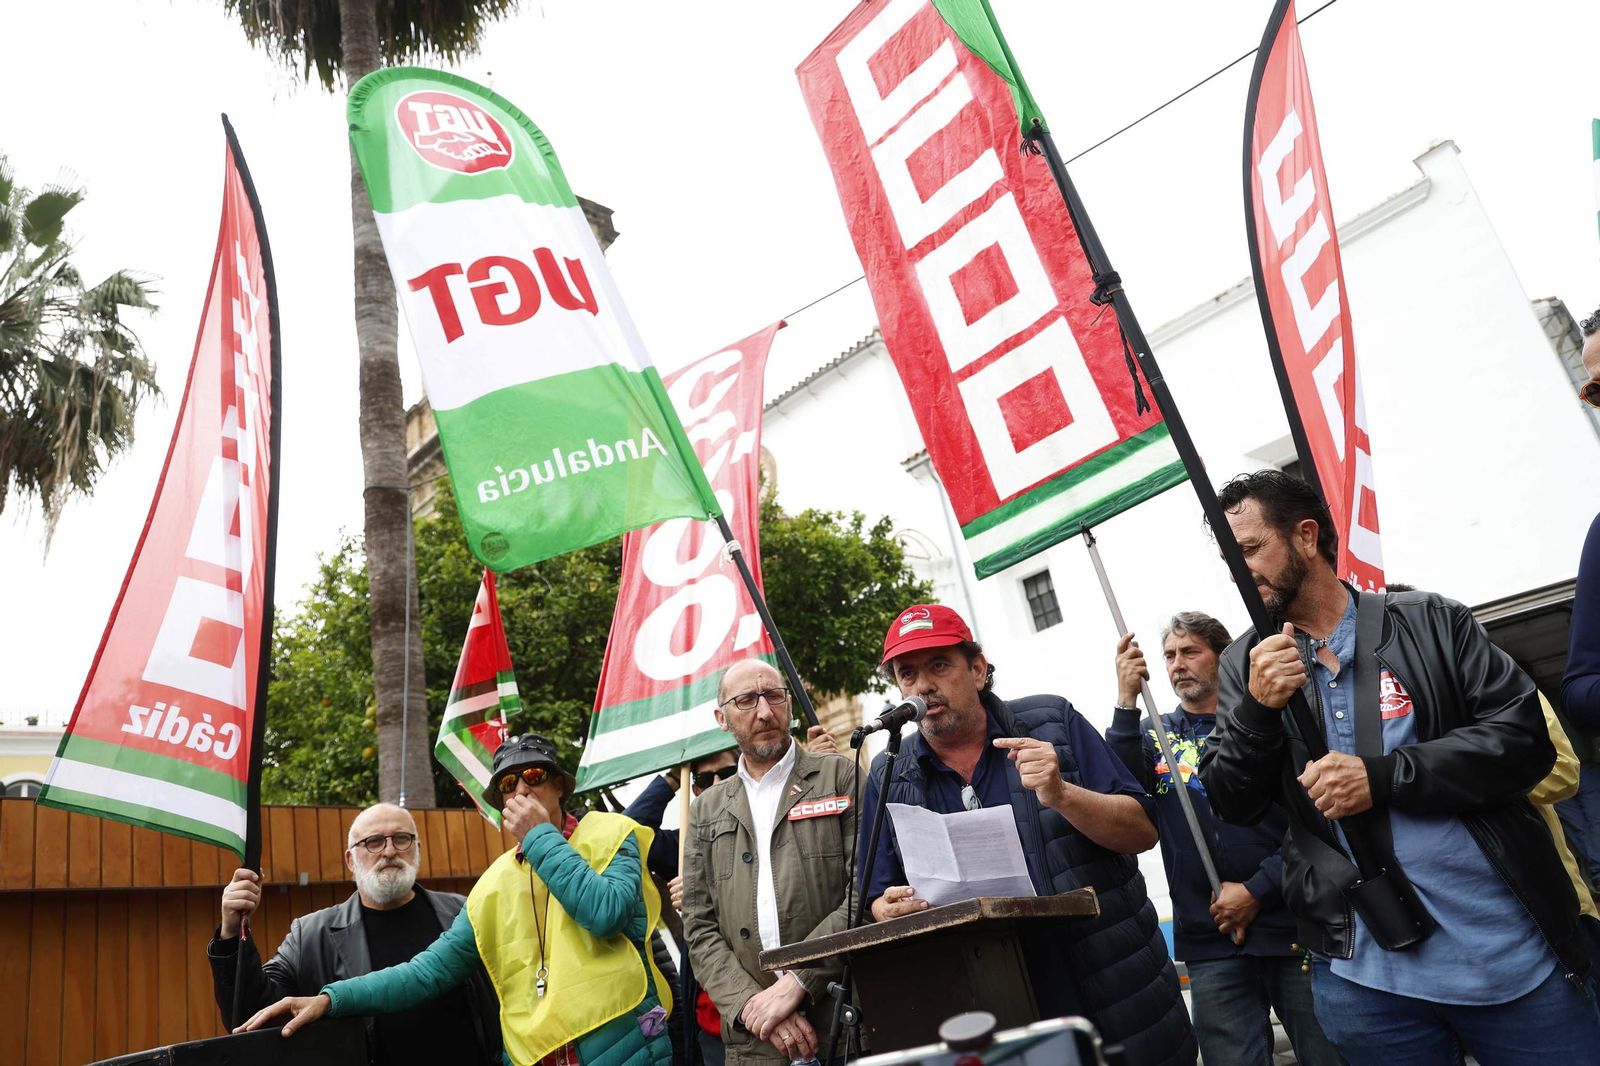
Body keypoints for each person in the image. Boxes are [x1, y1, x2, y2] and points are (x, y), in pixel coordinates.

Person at [1198, 469, 1598, 1065]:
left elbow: (1525, 742)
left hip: (1513, 959)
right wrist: (1258, 711)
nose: (1241, 569)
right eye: (1231, 557)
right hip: (1364, 983)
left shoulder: (1431, 620)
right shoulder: (1242, 665)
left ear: (1306, 536)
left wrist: (1382, 777)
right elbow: (1232, 801)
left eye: (1251, 548)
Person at [865, 603, 1195, 1066]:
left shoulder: (1052, 722)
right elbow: (875, 895)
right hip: (992, 1018)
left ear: (978, 669)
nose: (922, 686)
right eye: (907, 673)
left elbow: (1141, 830)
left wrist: (1062, 794)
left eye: (939, 665)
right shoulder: (887, 773)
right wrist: (885, 907)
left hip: (1113, 1000)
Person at [239, 734, 674, 1066]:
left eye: (535, 776)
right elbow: (424, 973)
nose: (521, 789)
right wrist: (331, 999)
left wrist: (539, 837)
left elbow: (605, 913)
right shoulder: (493, 885)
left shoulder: (611, 833)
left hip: (622, 1046)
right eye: (508, 783)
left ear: (559, 786)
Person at [1107, 612, 1343, 1066]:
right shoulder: (1152, 734)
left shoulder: (1268, 723)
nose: (1178, 664)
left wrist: (1257, 890)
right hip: (1210, 939)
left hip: (1293, 927)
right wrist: (1125, 700)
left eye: (1191, 651)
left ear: (1223, 656)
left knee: (1329, 1054)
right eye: (1170, 655)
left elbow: (1314, 820)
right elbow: (1119, 793)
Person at [206, 801, 499, 1064]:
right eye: (373, 842)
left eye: (401, 839)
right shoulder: (311, 935)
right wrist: (232, 931)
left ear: (417, 849)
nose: (389, 851)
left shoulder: (463, 913)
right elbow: (251, 1015)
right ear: (350, 859)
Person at [682, 659, 857, 1065]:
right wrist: (752, 1006)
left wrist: (799, 980)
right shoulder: (706, 810)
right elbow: (699, 928)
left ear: (790, 705)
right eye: (745, 700)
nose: (764, 712)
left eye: (773, 696)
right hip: (755, 1043)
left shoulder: (840, 777)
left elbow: (864, 895)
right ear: (721, 717)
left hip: (842, 1022)